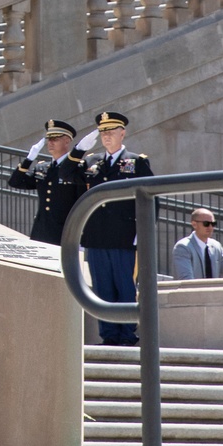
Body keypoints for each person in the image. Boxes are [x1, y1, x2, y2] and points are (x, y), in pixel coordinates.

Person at [80, 109, 154, 347]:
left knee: (125, 288)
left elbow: (151, 198)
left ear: (123, 133)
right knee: (102, 290)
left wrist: (142, 234)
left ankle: (127, 335)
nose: (106, 136)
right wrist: (77, 152)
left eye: (111, 131)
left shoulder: (137, 161)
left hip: (124, 238)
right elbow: (66, 177)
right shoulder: (90, 162)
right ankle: (109, 335)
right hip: (97, 237)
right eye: (103, 132)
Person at [7, 119, 87, 245]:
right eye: (48, 139)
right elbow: (15, 182)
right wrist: (29, 159)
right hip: (41, 231)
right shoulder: (42, 168)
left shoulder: (76, 170)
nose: (50, 142)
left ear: (67, 140)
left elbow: (82, 203)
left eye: (55, 139)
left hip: (64, 233)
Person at [173, 209, 223, 279]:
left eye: (213, 224)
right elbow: (186, 279)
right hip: (193, 289)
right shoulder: (183, 247)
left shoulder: (216, 246)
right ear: (194, 224)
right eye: (206, 224)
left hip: (212, 289)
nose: (210, 227)